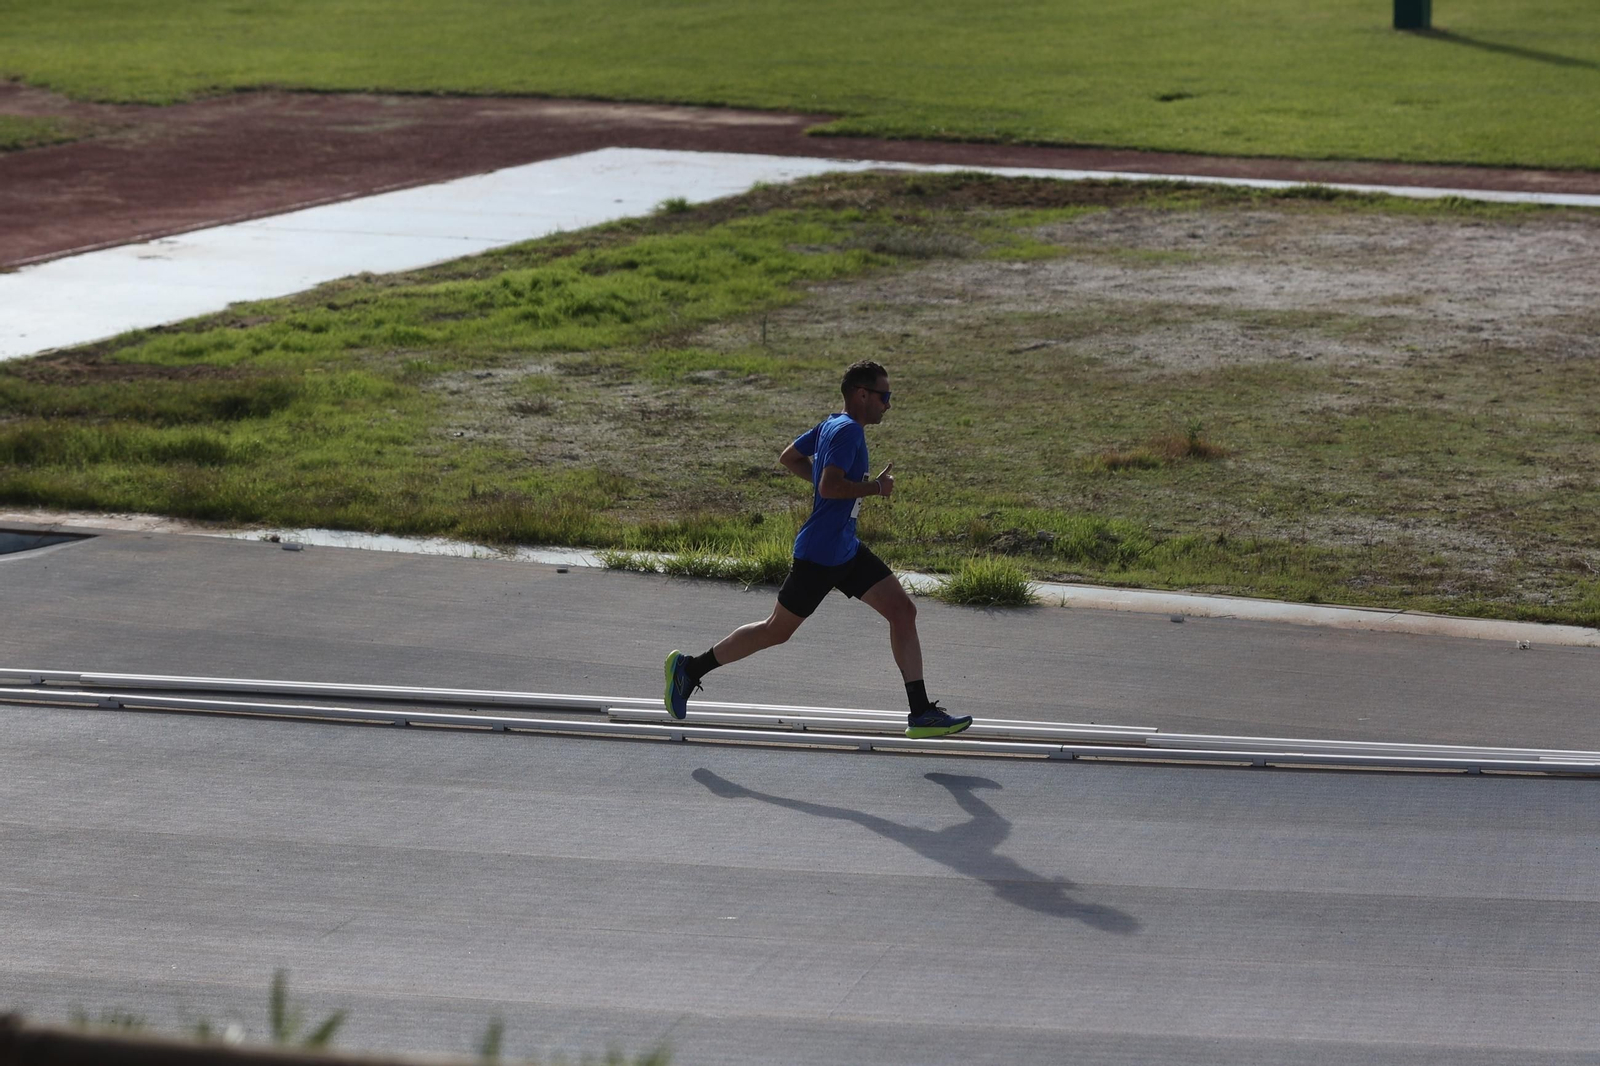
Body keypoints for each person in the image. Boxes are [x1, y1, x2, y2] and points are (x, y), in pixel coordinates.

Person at [664, 360, 972, 739]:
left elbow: (789, 457)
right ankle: (689, 669)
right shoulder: (849, 433)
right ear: (862, 394)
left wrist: (831, 481)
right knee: (775, 631)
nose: (888, 405)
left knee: (903, 611)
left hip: (845, 548)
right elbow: (829, 487)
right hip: (820, 554)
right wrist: (876, 489)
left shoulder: (831, 425)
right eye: (884, 396)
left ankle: (921, 712)